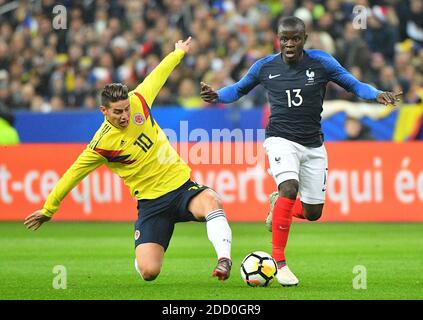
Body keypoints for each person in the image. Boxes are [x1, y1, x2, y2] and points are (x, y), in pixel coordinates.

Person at [200, 16, 401, 286]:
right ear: (278, 40)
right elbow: (237, 89)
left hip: (313, 144)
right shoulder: (265, 67)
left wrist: (376, 94)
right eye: (284, 39)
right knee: (289, 186)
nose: (289, 44)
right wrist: (217, 95)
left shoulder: (321, 62)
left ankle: (278, 206)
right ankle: (279, 263)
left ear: (304, 39)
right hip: (280, 139)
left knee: (313, 212)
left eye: (295, 38)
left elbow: (354, 85)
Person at [24, 37, 233, 282]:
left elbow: (160, 73)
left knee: (212, 200)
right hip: (151, 204)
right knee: (149, 272)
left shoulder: (139, 100)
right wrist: (49, 209)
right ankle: (143, 254)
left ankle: (224, 260)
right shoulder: (101, 145)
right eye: (118, 111)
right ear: (104, 111)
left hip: (181, 188)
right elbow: (72, 175)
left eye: (126, 109)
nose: (125, 115)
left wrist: (178, 52)